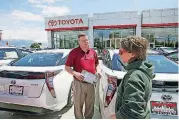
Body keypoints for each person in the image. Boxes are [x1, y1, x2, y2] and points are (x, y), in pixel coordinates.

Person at [110, 36, 155, 119]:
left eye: (121, 51)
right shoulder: (142, 70)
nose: (119, 54)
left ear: (133, 54)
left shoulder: (134, 76)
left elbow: (132, 111)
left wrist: (115, 117)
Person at [65, 33, 101, 119]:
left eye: (87, 40)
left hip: (91, 83)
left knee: (90, 104)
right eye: (83, 41)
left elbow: (97, 64)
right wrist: (75, 73)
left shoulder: (93, 52)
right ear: (79, 42)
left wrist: (98, 71)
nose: (86, 42)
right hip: (79, 83)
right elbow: (67, 67)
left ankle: (88, 118)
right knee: (78, 105)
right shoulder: (74, 52)